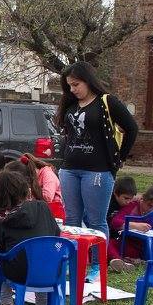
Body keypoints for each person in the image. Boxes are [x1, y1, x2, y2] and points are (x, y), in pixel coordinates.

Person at [56, 61, 138, 239]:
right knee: (71, 220)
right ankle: (74, 263)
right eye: (69, 86)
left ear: (88, 80)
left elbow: (132, 128)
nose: (72, 89)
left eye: (76, 84)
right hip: (69, 169)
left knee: (95, 222)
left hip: (97, 171)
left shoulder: (107, 101)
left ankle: (96, 265)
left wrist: (121, 157)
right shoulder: (71, 105)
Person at [0, 170, 61, 305]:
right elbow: (56, 233)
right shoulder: (43, 207)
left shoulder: (2, 217)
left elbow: (0, 248)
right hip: (50, 271)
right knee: (43, 256)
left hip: (20, 273)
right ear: (24, 190)